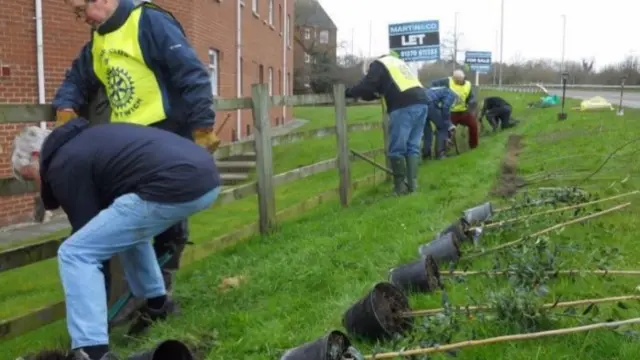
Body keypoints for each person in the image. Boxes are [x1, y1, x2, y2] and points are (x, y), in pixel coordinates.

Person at [53, 0, 220, 324]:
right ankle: (149, 302)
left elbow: (192, 73)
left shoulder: (150, 22)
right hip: (129, 145)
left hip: (166, 135)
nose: (80, 18)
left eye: (80, 9)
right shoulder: (99, 38)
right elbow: (77, 77)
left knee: (167, 226)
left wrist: (202, 128)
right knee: (134, 223)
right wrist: (65, 105)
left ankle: (157, 299)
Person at [10, 118, 222, 360]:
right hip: (204, 177)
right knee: (122, 231)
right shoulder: (84, 141)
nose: (37, 186)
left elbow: (88, 238)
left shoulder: (62, 163)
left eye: (31, 178)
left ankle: (91, 351)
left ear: (37, 155)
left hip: (173, 183)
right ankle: (158, 307)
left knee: (75, 252)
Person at [345, 52, 429, 195]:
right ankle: (412, 186)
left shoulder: (378, 64)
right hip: (422, 102)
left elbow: (367, 85)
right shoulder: (398, 64)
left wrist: (349, 92)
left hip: (403, 106)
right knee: (412, 146)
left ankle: (399, 188)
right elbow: (375, 91)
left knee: (397, 148)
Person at [431, 70, 479, 150]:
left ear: (464, 78)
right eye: (456, 80)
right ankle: (444, 150)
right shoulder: (447, 81)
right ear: (453, 78)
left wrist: (471, 101)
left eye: (460, 80)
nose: (458, 82)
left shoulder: (468, 84)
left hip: (463, 111)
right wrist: (438, 98)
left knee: (473, 125)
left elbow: (471, 96)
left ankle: (474, 146)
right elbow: (433, 84)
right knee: (446, 130)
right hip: (450, 112)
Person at [422, 86, 458, 160]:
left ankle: (426, 155)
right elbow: (445, 107)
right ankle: (440, 154)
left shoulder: (440, 89)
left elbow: (440, 107)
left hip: (420, 104)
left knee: (427, 131)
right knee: (442, 128)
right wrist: (449, 124)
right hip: (430, 103)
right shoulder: (452, 95)